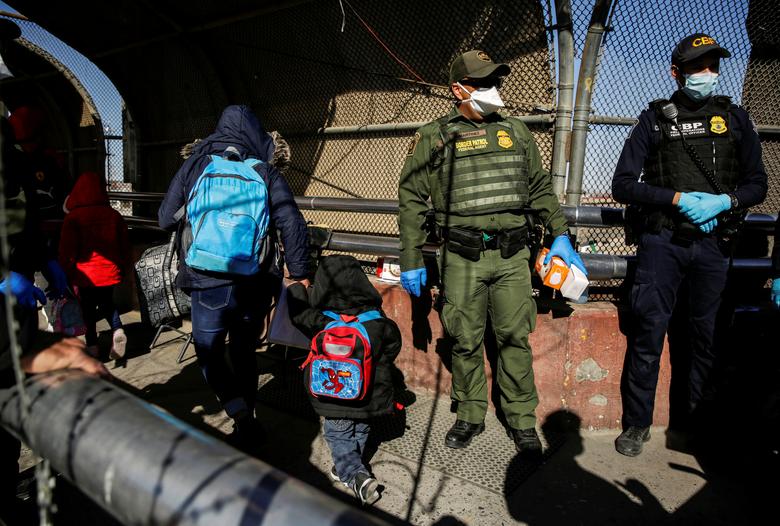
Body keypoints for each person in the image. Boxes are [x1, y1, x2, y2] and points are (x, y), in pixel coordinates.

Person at [397, 50, 586, 452]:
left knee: (514, 337)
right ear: (458, 89)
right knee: (464, 339)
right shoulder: (435, 135)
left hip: (513, 256)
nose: (491, 90)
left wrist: (561, 233)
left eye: (494, 82)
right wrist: (411, 260)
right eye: (482, 83)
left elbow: (537, 188)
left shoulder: (515, 131)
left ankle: (520, 418)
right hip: (461, 257)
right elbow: (412, 199)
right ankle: (469, 414)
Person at [611, 33, 767, 456]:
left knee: (706, 338)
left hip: (714, 244)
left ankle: (696, 425)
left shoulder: (735, 118)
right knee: (648, 333)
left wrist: (725, 200)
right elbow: (622, 185)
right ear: (676, 72)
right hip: (663, 242)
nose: (707, 74)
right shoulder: (654, 119)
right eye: (698, 66)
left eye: (713, 65)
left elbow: (758, 185)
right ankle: (636, 424)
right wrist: (676, 198)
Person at [158, 105, 309, 448]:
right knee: (244, 351)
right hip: (253, 280)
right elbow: (292, 223)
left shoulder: (196, 164)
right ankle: (248, 419)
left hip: (205, 278)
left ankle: (237, 411)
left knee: (208, 349)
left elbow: (165, 218)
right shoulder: (265, 171)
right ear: (256, 133)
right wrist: (300, 273)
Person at [287, 255, 402, 505]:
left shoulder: (321, 320)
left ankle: (354, 476)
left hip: (332, 395)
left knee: (338, 434)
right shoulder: (379, 322)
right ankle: (345, 468)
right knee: (360, 428)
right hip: (368, 395)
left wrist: (297, 287)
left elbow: (297, 313)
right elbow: (394, 347)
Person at [59, 172, 131, 359]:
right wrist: (124, 269)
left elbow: (67, 251)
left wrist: (65, 271)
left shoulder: (73, 218)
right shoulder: (114, 215)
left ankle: (92, 346)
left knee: (88, 309)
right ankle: (117, 330)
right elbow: (124, 246)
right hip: (109, 272)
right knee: (108, 303)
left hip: (85, 275)